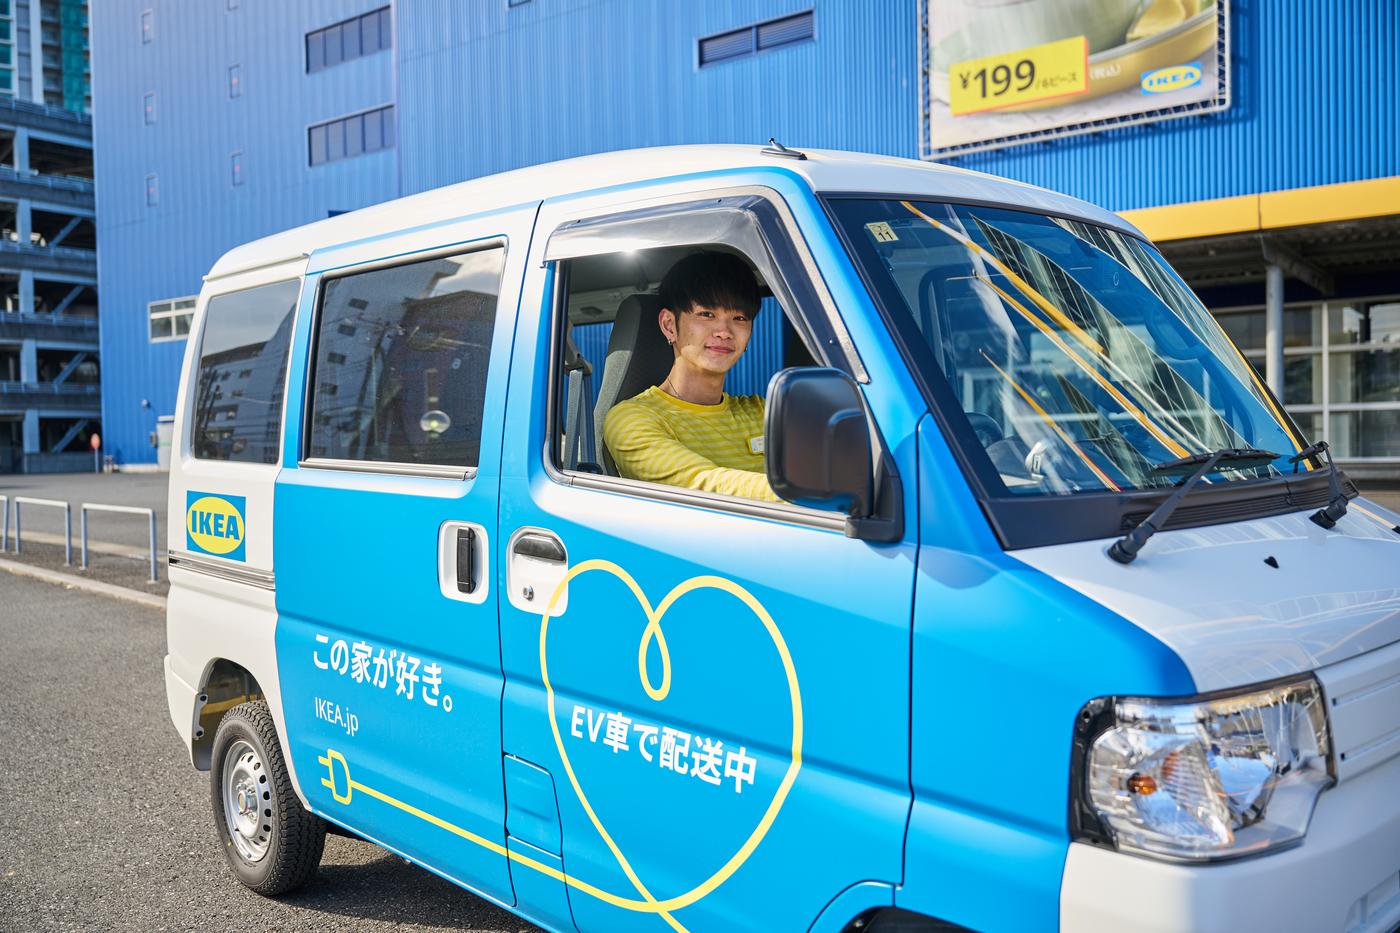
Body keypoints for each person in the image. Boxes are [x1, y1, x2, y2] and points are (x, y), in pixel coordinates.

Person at [603, 251, 780, 502]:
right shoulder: (631, 419)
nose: (724, 332)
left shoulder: (764, 412)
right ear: (669, 325)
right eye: (706, 314)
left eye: (739, 318)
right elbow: (703, 486)